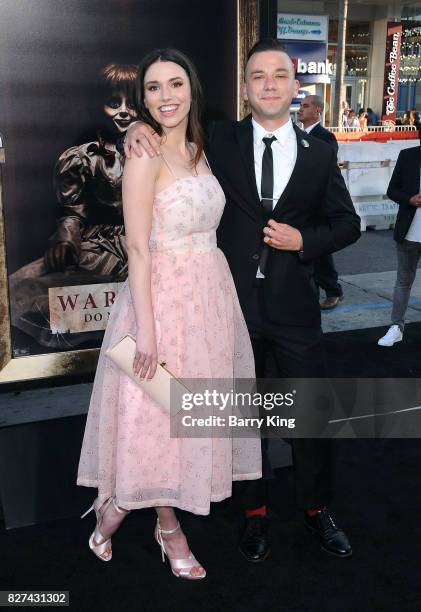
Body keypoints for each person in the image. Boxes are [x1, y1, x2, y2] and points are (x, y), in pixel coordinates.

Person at [125, 39, 360, 562]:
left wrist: (307, 242)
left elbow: (348, 223)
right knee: (241, 422)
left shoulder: (321, 151)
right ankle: (253, 516)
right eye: (259, 76)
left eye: (281, 75)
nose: (270, 84)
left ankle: (315, 509)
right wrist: (135, 128)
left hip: (296, 308)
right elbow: (166, 129)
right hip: (228, 310)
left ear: (297, 86)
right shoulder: (220, 139)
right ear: (246, 87)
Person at [76, 48, 261, 579]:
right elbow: (137, 249)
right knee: (159, 420)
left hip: (210, 300)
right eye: (153, 89)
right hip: (160, 303)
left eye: (174, 84)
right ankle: (166, 527)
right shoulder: (144, 155)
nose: (165, 97)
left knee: (191, 420)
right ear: (143, 100)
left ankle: (119, 507)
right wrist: (148, 334)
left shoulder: (204, 148)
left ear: (192, 89)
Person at [8, 63, 139, 349]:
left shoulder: (153, 152)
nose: (124, 111)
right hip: (98, 243)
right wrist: (66, 242)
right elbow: (73, 212)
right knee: (20, 286)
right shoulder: (81, 158)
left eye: (133, 103)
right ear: (98, 106)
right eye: (114, 103)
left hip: (143, 241)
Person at [297, 95, 344, 309]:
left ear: (317, 111)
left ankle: (333, 290)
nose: (300, 110)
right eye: (300, 106)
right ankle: (310, 291)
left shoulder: (326, 137)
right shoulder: (293, 134)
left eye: (305, 106)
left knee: (320, 250)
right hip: (298, 203)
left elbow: (325, 166)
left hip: (318, 203)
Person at [378, 143, 421, 347]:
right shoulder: (408, 155)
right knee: (403, 281)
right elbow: (392, 190)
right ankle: (396, 327)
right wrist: (410, 199)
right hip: (409, 234)